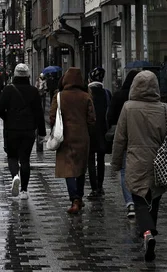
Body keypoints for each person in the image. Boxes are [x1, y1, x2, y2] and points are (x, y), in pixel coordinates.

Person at [111, 71, 167, 262]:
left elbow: (120, 138)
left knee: (139, 200)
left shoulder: (128, 108)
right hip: (160, 161)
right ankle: (150, 234)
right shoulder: (165, 109)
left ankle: (147, 232)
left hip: (136, 161)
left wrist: (115, 163)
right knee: (154, 198)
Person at [49, 67, 95, 214]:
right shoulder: (86, 96)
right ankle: (79, 197)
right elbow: (92, 119)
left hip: (64, 136)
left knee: (68, 168)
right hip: (82, 136)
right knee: (81, 167)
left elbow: (51, 117)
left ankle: (74, 198)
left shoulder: (59, 96)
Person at [0, 64, 46, 200]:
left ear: (15, 75)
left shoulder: (8, 90)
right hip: (29, 130)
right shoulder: (33, 91)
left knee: (12, 156)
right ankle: (24, 190)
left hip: (12, 129)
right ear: (28, 76)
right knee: (25, 159)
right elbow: (39, 113)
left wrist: (8, 118)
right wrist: (42, 132)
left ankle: (15, 176)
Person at [107, 69, 140, 219]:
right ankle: (140, 200)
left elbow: (111, 116)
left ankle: (130, 203)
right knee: (141, 170)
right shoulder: (142, 99)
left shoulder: (119, 95)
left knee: (124, 171)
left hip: (124, 138)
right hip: (141, 139)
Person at [87, 67, 111, 199]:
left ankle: (94, 188)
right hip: (103, 131)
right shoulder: (107, 93)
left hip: (89, 131)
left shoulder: (87, 94)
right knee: (100, 160)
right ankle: (100, 186)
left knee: (90, 160)